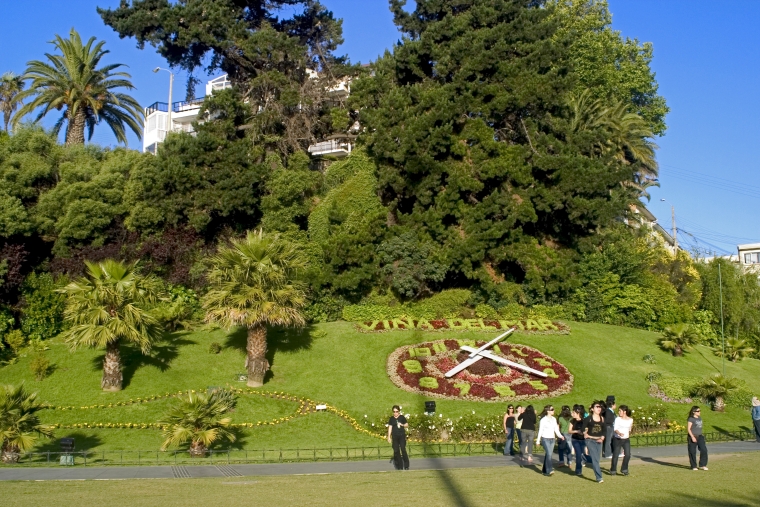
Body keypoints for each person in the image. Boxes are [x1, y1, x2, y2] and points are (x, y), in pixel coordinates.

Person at [536, 405, 565, 476]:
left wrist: (560, 436)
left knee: (548, 455)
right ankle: (549, 469)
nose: (553, 410)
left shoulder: (554, 419)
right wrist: (538, 440)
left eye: (553, 409)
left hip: (552, 439)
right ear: (547, 411)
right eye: (552, 409)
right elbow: (540, 430)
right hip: (545, 439)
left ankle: (545, 471)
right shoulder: (543, 420)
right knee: (549, 454)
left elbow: (556, 429)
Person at [583, 401, 606, 483]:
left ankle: (584, 457)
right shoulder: (588, 419)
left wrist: (602, 438)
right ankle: (599, 477)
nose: (599, 408)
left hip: (599, 441)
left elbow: (604, 430)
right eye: (597, 407)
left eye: (600, 407)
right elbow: (583, 428)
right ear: (592, 409)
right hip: (590, 440)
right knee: (595, 460)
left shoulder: (602, 419)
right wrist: (585, 433)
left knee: (597, 459)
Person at [610, 405, 633, 476]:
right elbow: (615, 428)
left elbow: (629, 429)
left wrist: (627, 434)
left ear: (624, 412)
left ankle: (624, 469)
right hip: (617, 439)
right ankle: (613, 470)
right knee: (616, 455)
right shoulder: (617, 419)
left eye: (620, 411)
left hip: (626, 439)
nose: (619, 412)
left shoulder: (630, 420)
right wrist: (619, 433)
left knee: (628, 455)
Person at [387, 405, 409, 470]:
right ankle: (400, 466)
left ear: (399, 412)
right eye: (394, 412)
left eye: (397, 411)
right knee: (396, 451)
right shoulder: (391, 419)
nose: (395, 413)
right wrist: (389, 437)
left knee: (403, 449)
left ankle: (406, 465)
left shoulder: (402, 417)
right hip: (395, 436)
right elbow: (390, 427)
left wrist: (402, 425)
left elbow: (407, 425)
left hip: (401, 435)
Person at [687, 406, 708, 471]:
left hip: (700, 436)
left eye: (700, 411)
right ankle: (694, 466)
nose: (699, 412)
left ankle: (702, 465)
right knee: (692, 452)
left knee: (704, 450)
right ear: (694, 412)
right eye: (698, 411)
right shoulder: (691, 419)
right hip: (693, 437)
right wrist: (692, 437)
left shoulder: (699, 418)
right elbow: (688, 429)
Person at [569, 406, 586, 476]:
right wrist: (576, 431)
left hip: (582, 440)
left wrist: (584, 432)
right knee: (578, 454)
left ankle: (580, 468)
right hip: (575, 439)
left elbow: (587, 429)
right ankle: (578, 470)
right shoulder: (572, 421)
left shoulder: (584, 421)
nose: (573, 414)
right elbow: (569, 431)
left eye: (574, 412)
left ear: (578, 413)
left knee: (582, 455)